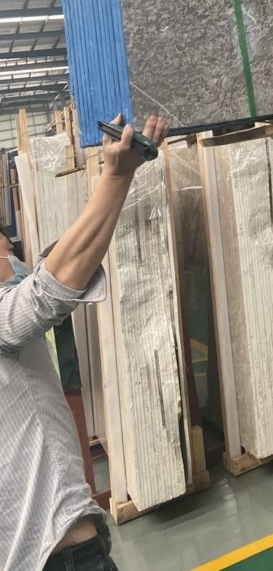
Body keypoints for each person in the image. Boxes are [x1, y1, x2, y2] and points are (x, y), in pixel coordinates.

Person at [1, 113, 167, 571]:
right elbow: (43, 291)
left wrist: (115, 178)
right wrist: (116, 177)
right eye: (6, 251)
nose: (10, 256)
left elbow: (39, 288)